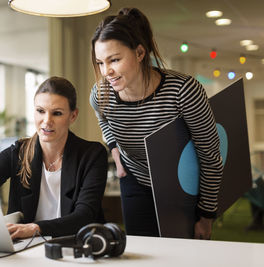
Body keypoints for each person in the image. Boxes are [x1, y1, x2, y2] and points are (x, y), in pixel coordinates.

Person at [89, 7, 223, 239]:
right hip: (135, 179)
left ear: (140, 53)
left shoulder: (183, 91)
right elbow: (104, 121)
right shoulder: (101, 95)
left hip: (180, 185)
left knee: (183, 255)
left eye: (115, 60)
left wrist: (206, 215)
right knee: (143, 252)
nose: (106, 71)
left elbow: (210, 154)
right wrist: (114, 149)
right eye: (100, 62)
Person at [0, 76, 108, 239]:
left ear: (73, 116)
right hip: (27, 248)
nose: (47, 121)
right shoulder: (17, 153)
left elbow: (84, 216)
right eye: (40, 111)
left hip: (77, 245)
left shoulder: (92, 155)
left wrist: (35, 228)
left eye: (57, 113)